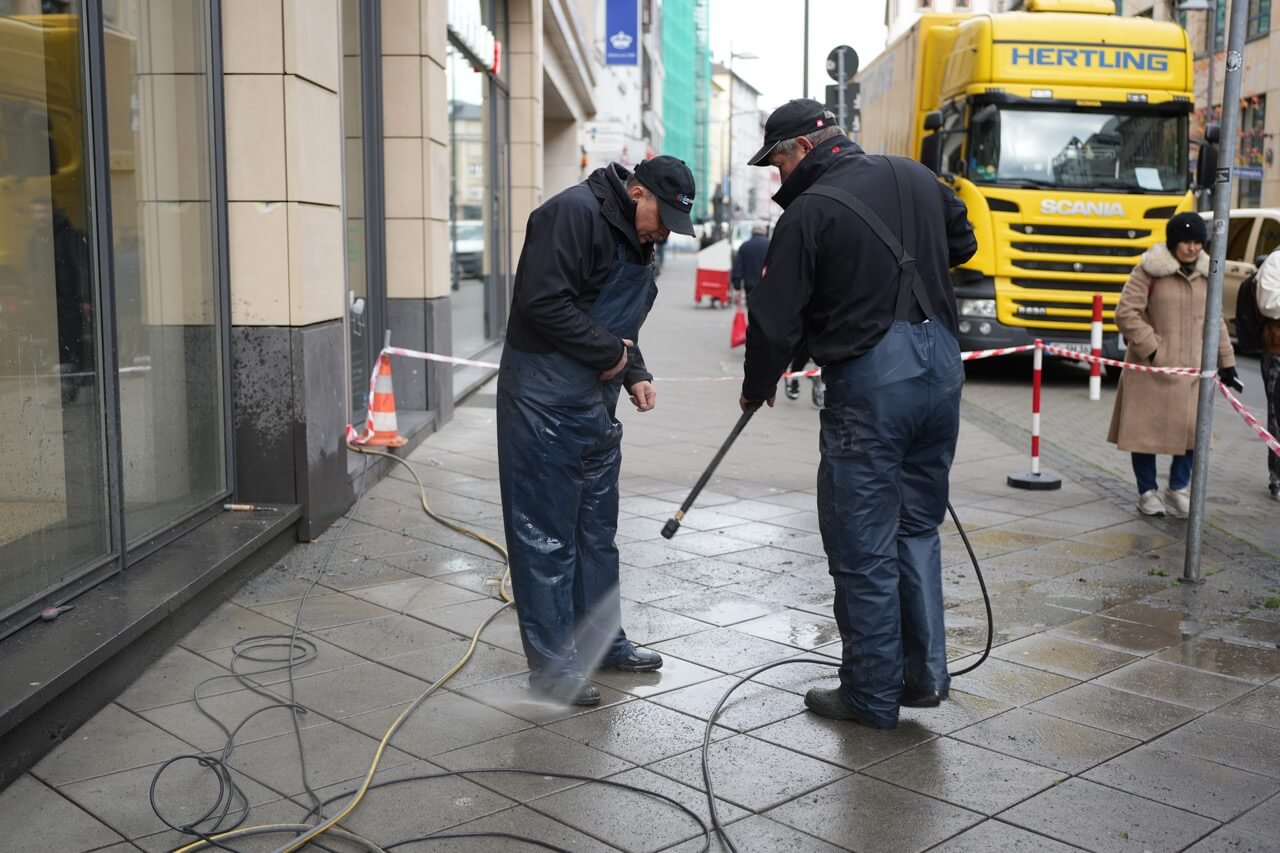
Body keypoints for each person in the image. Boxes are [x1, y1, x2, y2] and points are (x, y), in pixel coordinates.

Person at [739, 98, 977, 730]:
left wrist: (759, 384)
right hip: (940, 370)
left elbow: (772, 316)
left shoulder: (809, 212)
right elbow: (965, 241)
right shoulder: (919, 176)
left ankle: (871, 695)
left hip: (873, 384)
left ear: (802, 150)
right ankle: (922, 678)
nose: (776, 177)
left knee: (862, 542)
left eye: (778, 163)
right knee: (917, 528)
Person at [497, 155, 697, 707]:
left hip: (594, 399)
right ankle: (555, 668)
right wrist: (611, 353)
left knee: (594, 536)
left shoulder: (637, 234)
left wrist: (634, 371)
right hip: (542, 398)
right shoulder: (570, 215)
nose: (662, 234)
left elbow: (614, 317)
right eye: (661, 220)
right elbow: (543, 303)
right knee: (545, 538)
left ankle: (603, 643)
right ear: (637, 193)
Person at [1108, 212, 1242, 518]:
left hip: (1193, 372)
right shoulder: (1149, 270)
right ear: (1173, 243)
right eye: (1186, 242)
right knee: (1144, 434)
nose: (1193, 248)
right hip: (1152, 372)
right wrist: (1154, 350)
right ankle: (1147, 492)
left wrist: (1227, 363)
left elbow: (1215, 320)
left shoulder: (1210, 273)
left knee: (1194, 433)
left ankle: (1178, 488)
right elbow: (1126, 313)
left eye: (1198, 242)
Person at [1255, 252, 1280, 500]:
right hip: (1277, 351)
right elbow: (1269, 304)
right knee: (1278, 417)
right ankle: (1278, 478)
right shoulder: (1276, 261)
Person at [732, 223, 770, 299]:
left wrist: (737, 282)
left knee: (751, 306)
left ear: (752, 232)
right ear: (765, 232)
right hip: (766, 283)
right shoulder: (770, 245)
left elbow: (738, 266)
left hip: (749, 284)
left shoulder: (745, 246)